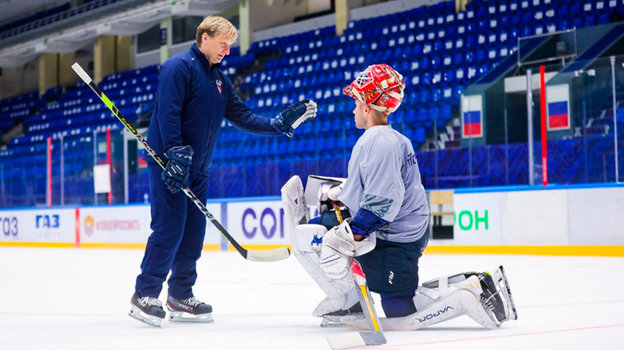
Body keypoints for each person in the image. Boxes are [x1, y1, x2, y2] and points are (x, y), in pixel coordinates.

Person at [281, 63, 516, 330]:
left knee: (399, 311)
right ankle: (349, 300)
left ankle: (466, 296)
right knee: (321, 225)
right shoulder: (382, 138)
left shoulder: (380, 141)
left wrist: (347, 237)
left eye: (357, 102)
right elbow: (381, 187)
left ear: (368, 106)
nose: (353, 109)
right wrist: (345, 195)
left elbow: (382, 204)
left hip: (395, 237)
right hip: (396, 231)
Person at [129, 15, 318, 327]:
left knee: (192, 233)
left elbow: (240, 114)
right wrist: (174, 152)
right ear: (205, 37)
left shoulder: (218, 79)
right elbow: (167, 112)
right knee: (169, 228)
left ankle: (180, 294)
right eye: (223, 44)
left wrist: (276, 125)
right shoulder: (179, 68)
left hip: (198, 169)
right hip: (170, 165)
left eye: (230, 46)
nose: (227, 51)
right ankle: (145, 293)